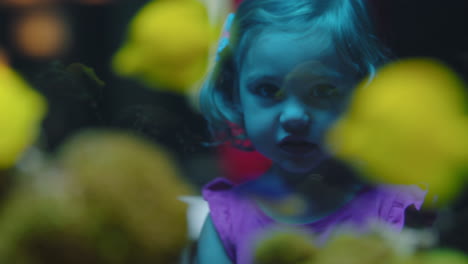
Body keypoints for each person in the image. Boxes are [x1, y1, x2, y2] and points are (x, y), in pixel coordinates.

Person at [196, 0, 426, 263]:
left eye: (322, 91)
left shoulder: (398, 212)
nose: (294, 117)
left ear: (363, 95)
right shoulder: (225, 222)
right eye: (267, 90)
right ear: (234, 93)